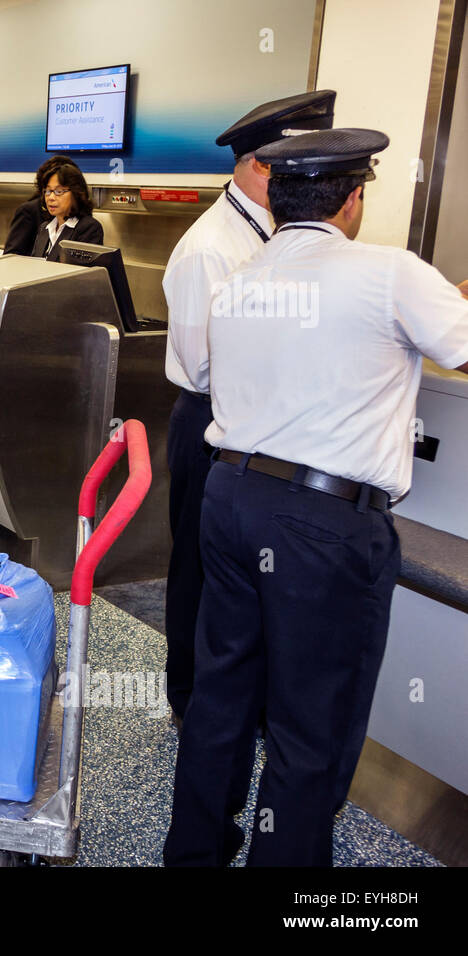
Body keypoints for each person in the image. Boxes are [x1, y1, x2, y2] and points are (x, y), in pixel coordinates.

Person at [164, 129, 468, 867]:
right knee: (312, 721)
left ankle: (195, 854)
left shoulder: (242, 277)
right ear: (354, 198)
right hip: (324, 524)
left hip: (230, 497)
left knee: (223, 692)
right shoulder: (391, 272)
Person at [159, 90, 337, 727]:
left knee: (245, 579)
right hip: (212, 423)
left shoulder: (273, 237)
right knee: (200, 572)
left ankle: (235, 697)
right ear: (260, 166)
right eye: (297, 165)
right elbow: (206, 364)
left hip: (256, 429)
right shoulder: (214, 247)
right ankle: (190, 700)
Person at [28, 163, 102, 259]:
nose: (51, 197)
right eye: (48, 191)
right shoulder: (44, 227)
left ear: (76, 193)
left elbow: (80, 272)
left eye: (59, 191)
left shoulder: (89, 228)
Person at [3, 154, 73, 255]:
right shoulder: (29, 211)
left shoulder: (83, 223)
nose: (52, 197)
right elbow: (12, 253)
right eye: (50, 190)